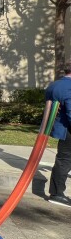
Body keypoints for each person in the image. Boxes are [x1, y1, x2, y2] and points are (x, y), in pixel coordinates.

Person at [46, 60, 71, 208]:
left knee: (63, 159)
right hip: (68, 130)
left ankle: (56, 192)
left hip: (61, 129)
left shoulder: (54, 85)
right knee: (65, 160)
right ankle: (57, 194)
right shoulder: (69, 87)